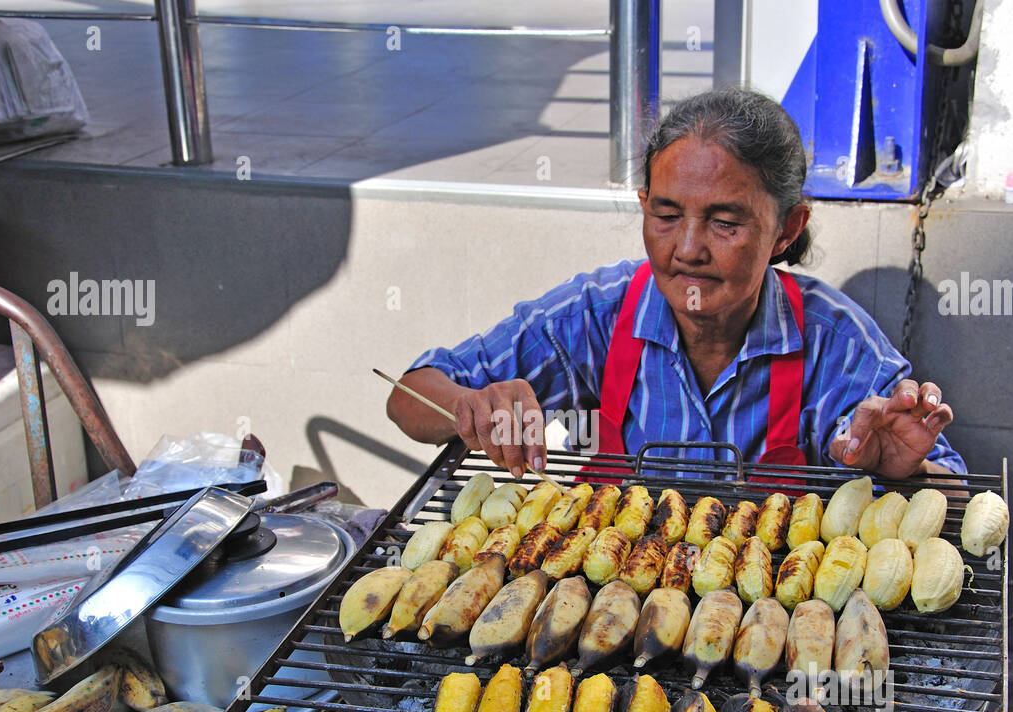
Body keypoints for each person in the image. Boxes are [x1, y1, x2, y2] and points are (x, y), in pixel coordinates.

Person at [386, 87, 964, 480]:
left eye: (725, 222)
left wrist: (909, 470)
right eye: (665, 216)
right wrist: (470, 405)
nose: (686, 249)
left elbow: (955, 489)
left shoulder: (834, 339)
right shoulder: (596, 315)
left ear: (787, 228)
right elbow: (408, 396)